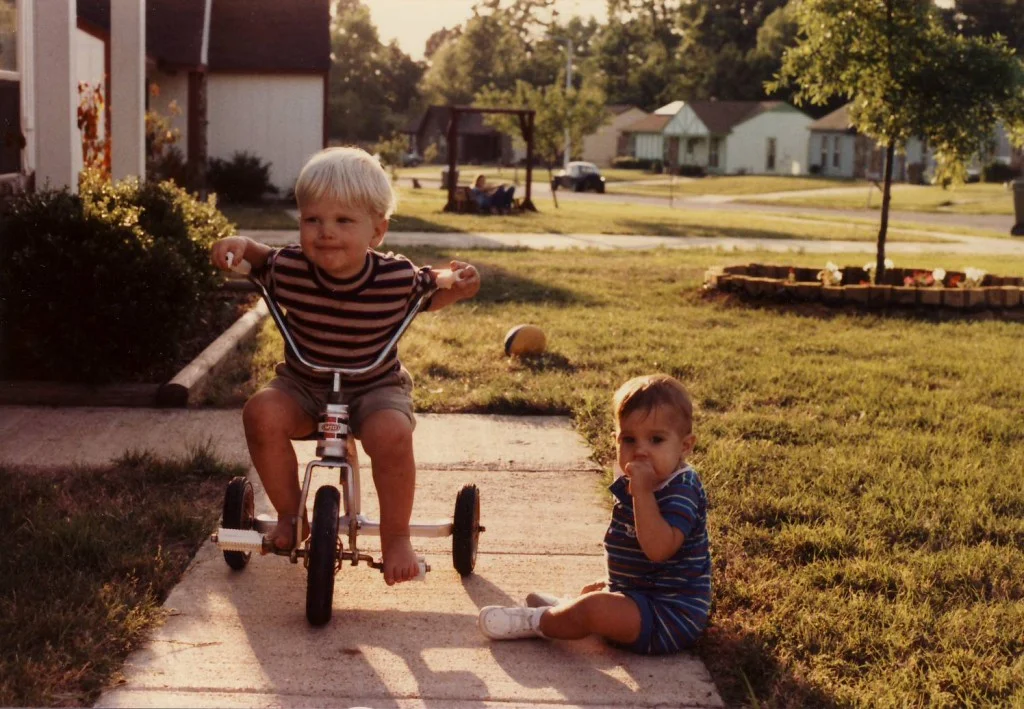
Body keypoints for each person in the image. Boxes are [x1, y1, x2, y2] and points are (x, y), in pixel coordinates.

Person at [210, 146, 481, 585]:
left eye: (343, 221)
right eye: (312, 219)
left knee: (392, 434)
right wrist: (236, 246)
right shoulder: (290, 268)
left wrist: (459, 284)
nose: (325, 232)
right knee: (260, 413)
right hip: (303, 384)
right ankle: (289, 516)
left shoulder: (395, 277)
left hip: (375, 387)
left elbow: (434, 287)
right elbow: (258, 258)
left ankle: (395, 539)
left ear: (377, 231)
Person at [477, 374, 712, 654]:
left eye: (656, 440)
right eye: (629, 440)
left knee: (595, 607)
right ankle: (568, 611)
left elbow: (658, 550)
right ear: (615, 441)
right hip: (640, 596)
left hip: (669, 616)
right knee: (595, 593)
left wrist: (644, 494)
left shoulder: (680, 489)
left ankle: (538, 621)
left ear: (685, 446)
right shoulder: (644, 480)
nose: (640, 452)